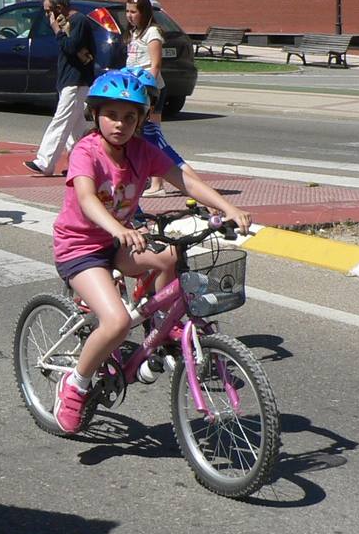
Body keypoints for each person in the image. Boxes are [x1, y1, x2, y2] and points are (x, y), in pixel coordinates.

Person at [49, 70, 251, 433]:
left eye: (130, 117)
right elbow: (85, 198)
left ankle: (159, 325)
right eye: (112, 115)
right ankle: (75, 386)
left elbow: (184, 179)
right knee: (117, 323)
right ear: (95, 114)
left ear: (141, 120)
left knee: (170, 256)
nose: (120, 124)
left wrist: (226, 208)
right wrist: (117, 228)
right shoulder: (86, 151)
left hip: (119, 241)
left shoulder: (142, 152)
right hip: (80, 248)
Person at [124, 0, 198, 196]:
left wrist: (146, 93)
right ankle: (157, 184)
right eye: (127, 11)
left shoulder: (152, 33)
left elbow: (155, 66)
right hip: (135, 92)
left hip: (150, 92)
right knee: (149, 140)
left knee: (155, 139)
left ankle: (193, 183)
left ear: (144, 12)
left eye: (133, 12)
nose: (129, 16)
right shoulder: (135, 32)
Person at [25, 0, 95, 176]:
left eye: (48, 11)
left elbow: (71, 47)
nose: (47, 15)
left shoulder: (79, 21)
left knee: (61, 120)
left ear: (59, 8)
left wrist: (57, 30)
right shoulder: (69, 22)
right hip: (69, 80)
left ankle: (45, 162)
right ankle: (83, 164)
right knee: (76, 128)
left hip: (77, 80)